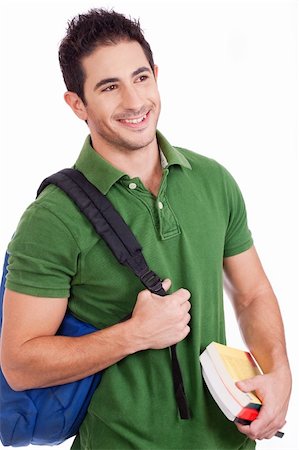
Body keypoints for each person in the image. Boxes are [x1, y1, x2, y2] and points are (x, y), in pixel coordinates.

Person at [0, 8, 291, 450]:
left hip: (231, 442)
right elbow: (19, 364)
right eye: (109, 87)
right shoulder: (51, 219)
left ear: (156, 75)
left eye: (140, 77)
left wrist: (280, 373)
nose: (134, 101)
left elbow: (251, 294)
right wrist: (133, 335)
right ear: (77, 103)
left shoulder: (213, 180)